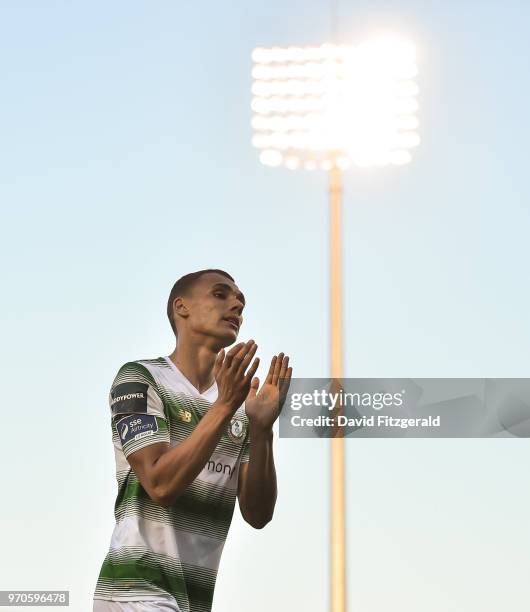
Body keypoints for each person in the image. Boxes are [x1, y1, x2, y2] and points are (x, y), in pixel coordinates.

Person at [93, 269, 292, 612]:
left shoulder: (242, 406)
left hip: (192, 600)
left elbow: (258, 514)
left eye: (240, 301)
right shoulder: (139, 379)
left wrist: (262, 431)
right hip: (135, 589)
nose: (236, 305)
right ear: (180, 307)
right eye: (221, 294)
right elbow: (160, 484)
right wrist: (225, 406)